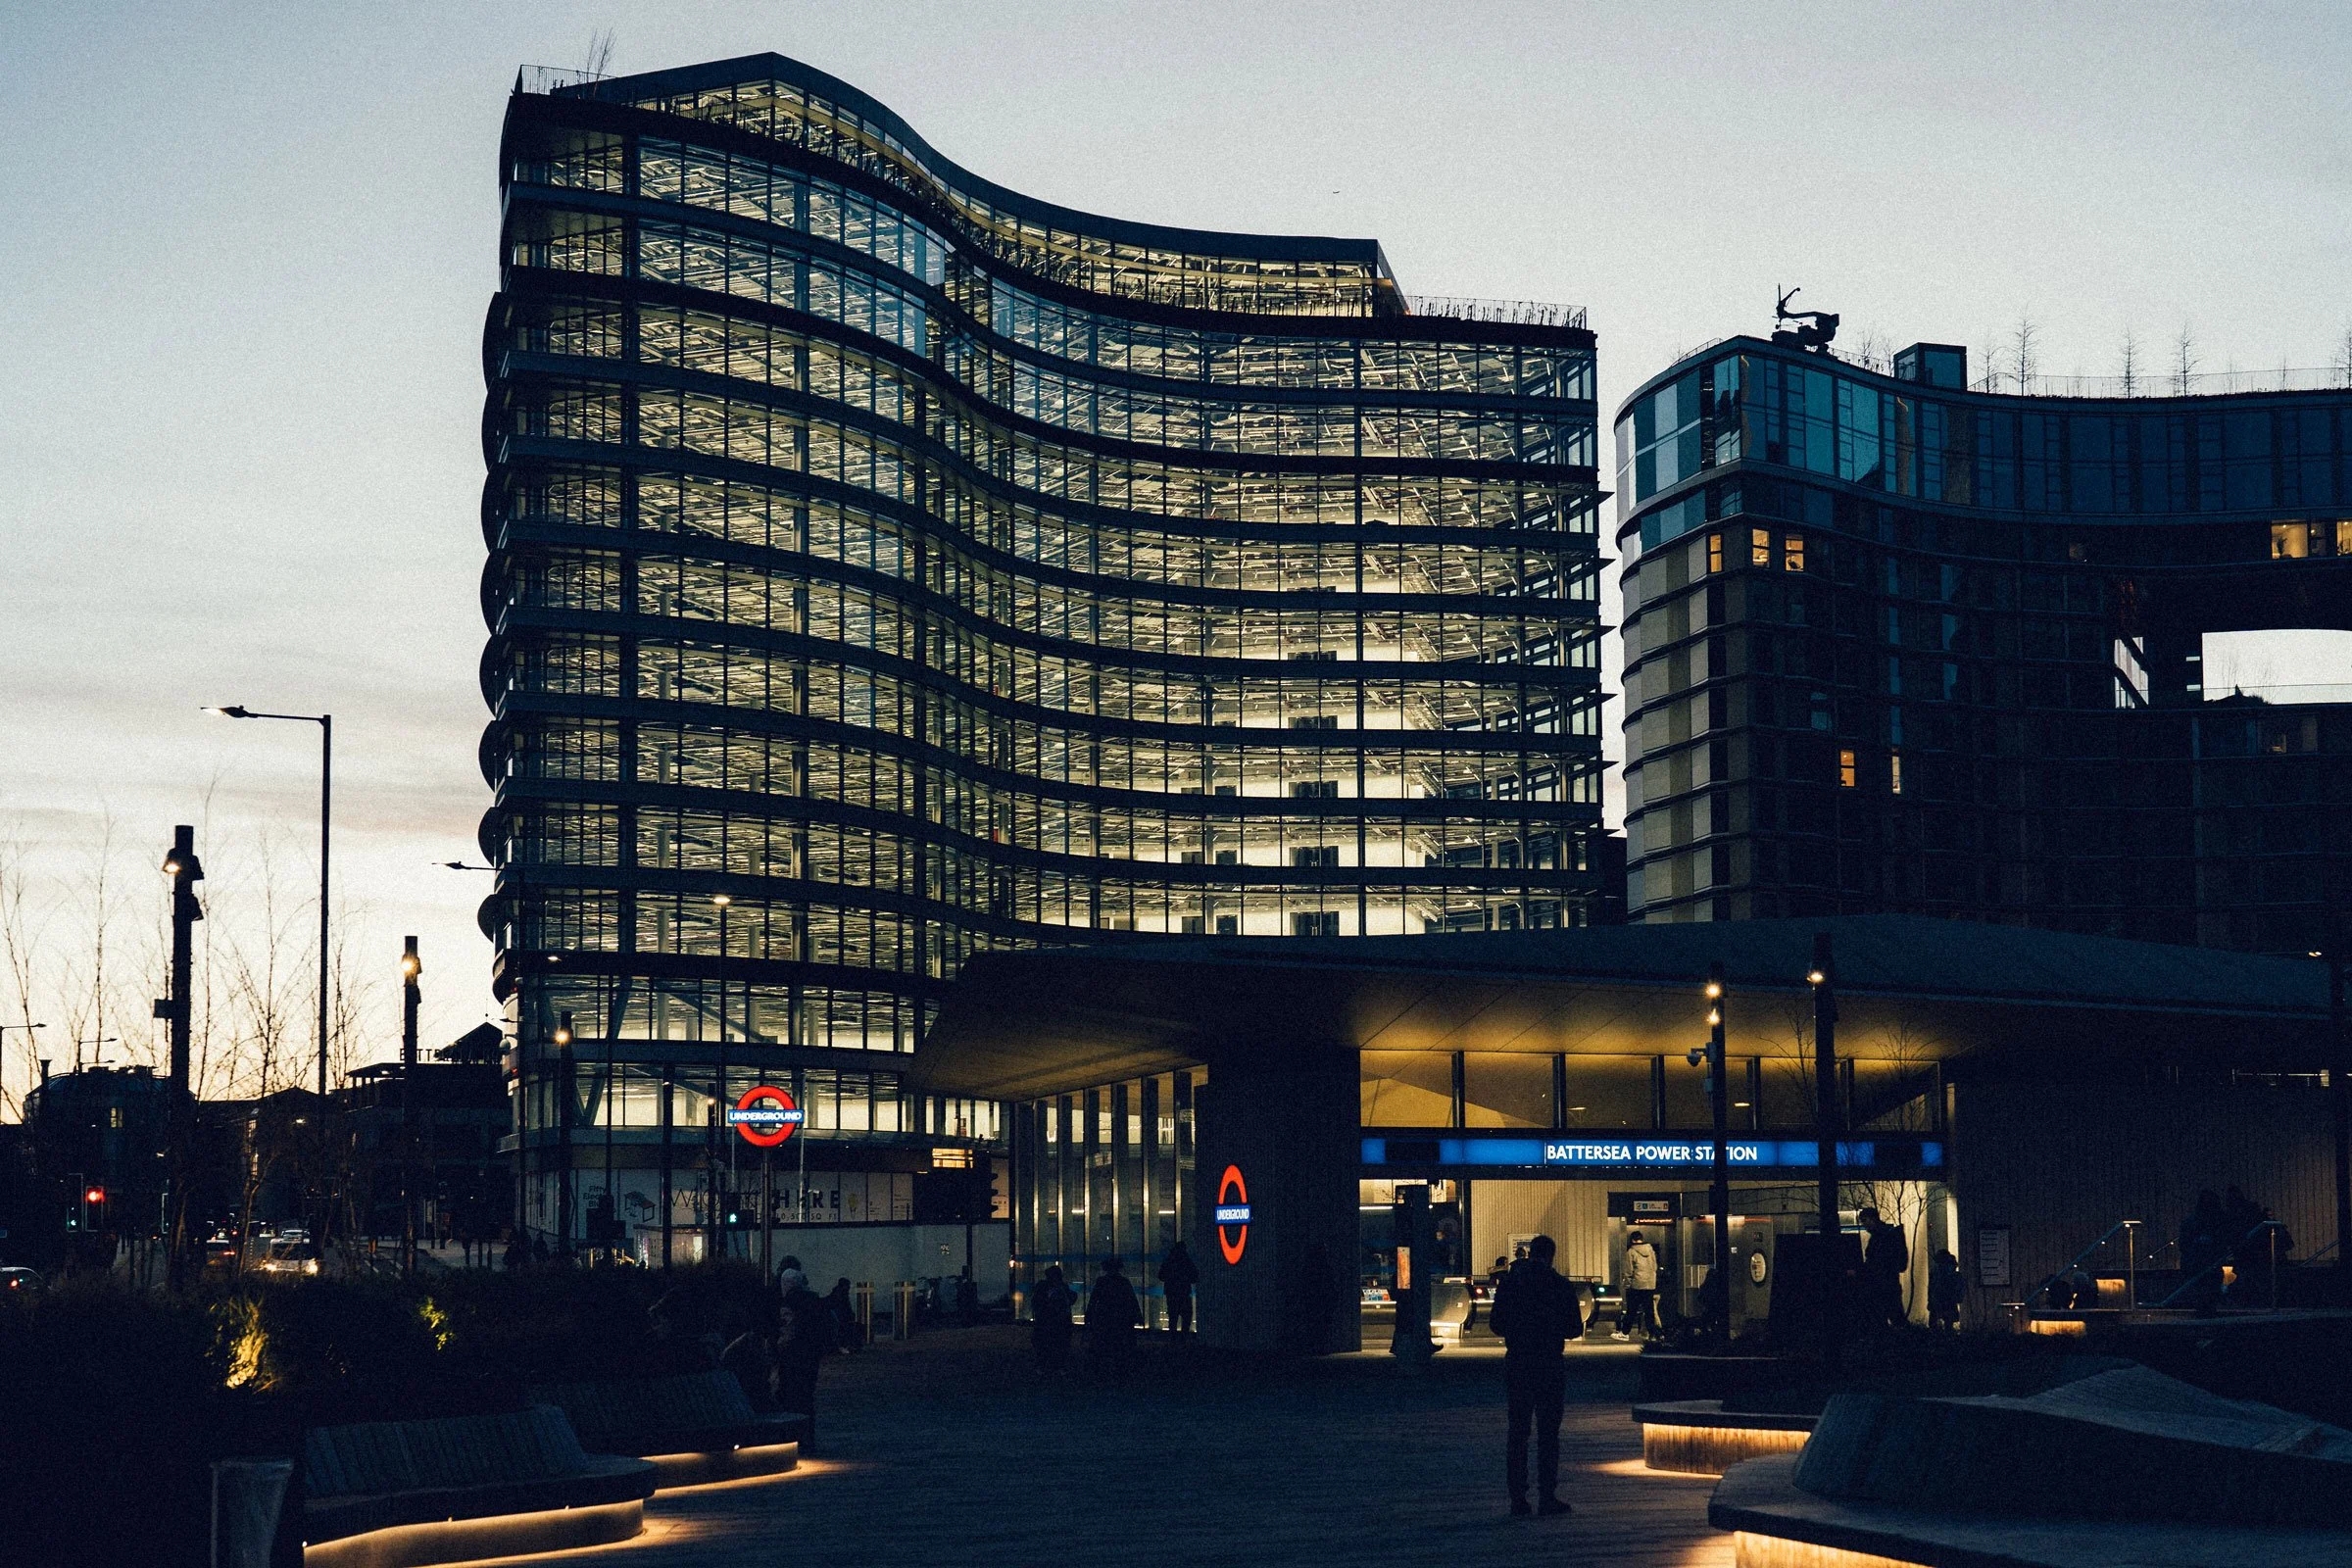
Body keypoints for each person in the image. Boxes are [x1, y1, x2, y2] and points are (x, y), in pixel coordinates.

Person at [1488, 1234, 1581, 1518]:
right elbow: (1574, 1328)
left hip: (1518, 1362)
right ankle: (1547, 1496)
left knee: (1518, 1432)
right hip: (1550, 1363)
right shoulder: (1560, 1285)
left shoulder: (1511, 1284)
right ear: (1552, 1254)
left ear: (1529, 1253)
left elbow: (1495, 1324)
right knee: (1548, 1433)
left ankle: (1518, 1499)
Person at [773, 1265, 832, 1450]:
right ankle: (808, 1437)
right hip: (811, 1356)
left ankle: (794, 1438)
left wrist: (777, 1349)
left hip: (793, 1356)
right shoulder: (813, 1299)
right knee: (806, 1396)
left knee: (791, 1395)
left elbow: (788, 1331)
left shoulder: (789, 1302)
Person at [1087, 1255, 1143, 1371]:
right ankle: (1120, 1365)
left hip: (1104, 1315)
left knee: (1104, 1340)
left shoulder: (1101, 1281)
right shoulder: (1124, 1282)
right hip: (1121, 1315)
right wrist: (1137, 1315)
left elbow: (1093, 1299)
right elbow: (1131, 1299)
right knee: (1120, 1341)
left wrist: (1089, 1314)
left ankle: (1104, 1365)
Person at [1859, 1207, 1907, 1329]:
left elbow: (1876, 1262)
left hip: (1882, 1284)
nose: (1864, 1225)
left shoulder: (1881, 1237)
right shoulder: (1888, 1234)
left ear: (1872, 1219)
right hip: (1889, 1283)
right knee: (1895, 1318)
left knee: (1884, 1320)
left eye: (1864, 1221)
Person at [1613, 1229, 1660, 1343]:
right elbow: (1655, 1267)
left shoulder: (1631, 1252)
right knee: (1649, 1311)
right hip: (1650, 1285)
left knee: (1631, 1310)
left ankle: (1625, 1333)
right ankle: (1652, 1334)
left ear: (1632, 1240)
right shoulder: (1651, 1251)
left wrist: (1627, 1284)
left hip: (1637, 1285)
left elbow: (1628, 1271)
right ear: (1642, 1239)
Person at [1031, 1263, 1076, 1372]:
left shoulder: (1042, 1286)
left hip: (1045, 1321)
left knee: (1045, 1345)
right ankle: (1058, 1367)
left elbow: (1035, 1303)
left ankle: (1043, 1367)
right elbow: (1071, 1299)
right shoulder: (1062, 1287)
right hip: (1060, 1321)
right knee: (1060, 1345)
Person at [1158, 1240, 1200, 1334]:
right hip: (1184, 1293)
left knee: (1173, 1317)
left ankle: (1173, 1339)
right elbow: (1194, 1276)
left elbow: (1161, 1275)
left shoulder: (1169, 1260)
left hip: (1171, 1293)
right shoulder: (1186, 1260)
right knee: (1186, 1316)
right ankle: (1183, 1338)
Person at [1929, 1248, 1965, 1332]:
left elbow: (1932, 1287)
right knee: (1944, 1323)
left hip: (1946, 1299)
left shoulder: (1940, 1271)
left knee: (1945, 1323)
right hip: (1942, 1299)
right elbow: (1931, 1287)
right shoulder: (1936, 1271)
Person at [826, 1277, 858, 1351]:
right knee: (846, 1328)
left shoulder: (837, 1293)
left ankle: (843, 1345)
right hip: (842, 1316)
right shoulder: (842, 1295)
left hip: (839, 1315)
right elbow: (845, 1307)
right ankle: (846, 1345)